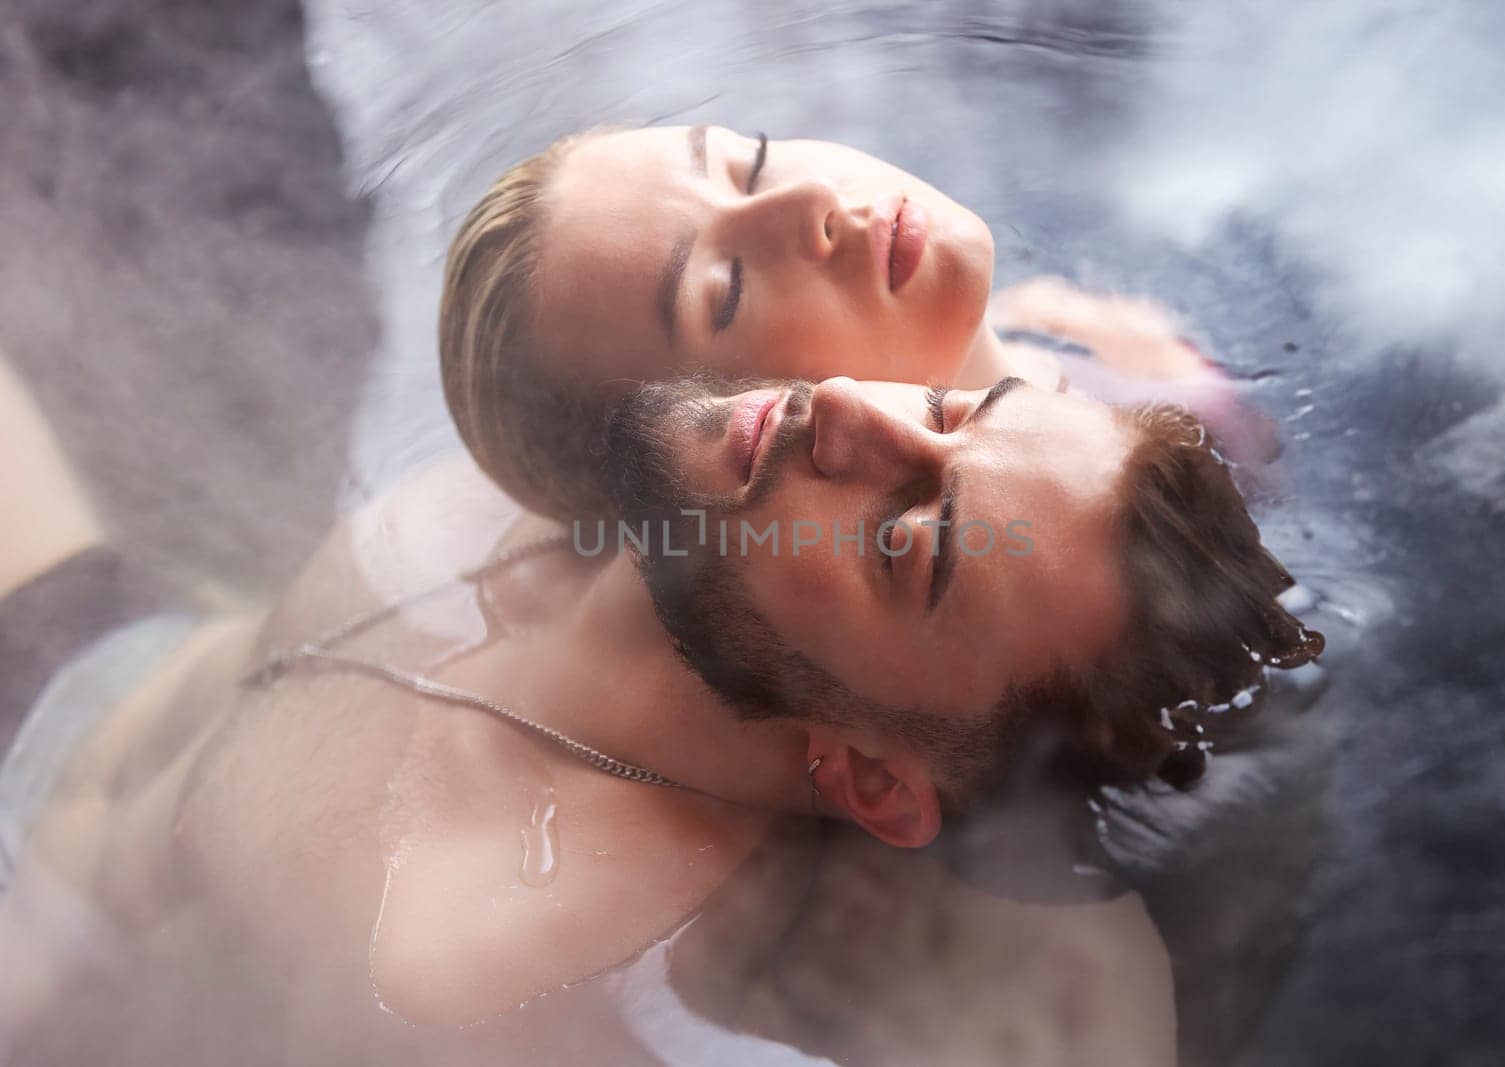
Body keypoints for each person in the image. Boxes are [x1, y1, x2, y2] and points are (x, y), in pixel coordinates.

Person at [0, 332, 1319, 1064]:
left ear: (867, 773)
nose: (852, 403)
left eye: (906, 538)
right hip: (105, 652)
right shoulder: (723, 444)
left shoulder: (483, 980)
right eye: (958, 401)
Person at [439, 122, 1279, 523]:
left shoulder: (1072, 325)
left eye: (750, 161)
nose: (809, 201)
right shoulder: (1092, 552)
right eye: (726, 289)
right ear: (742, 440)